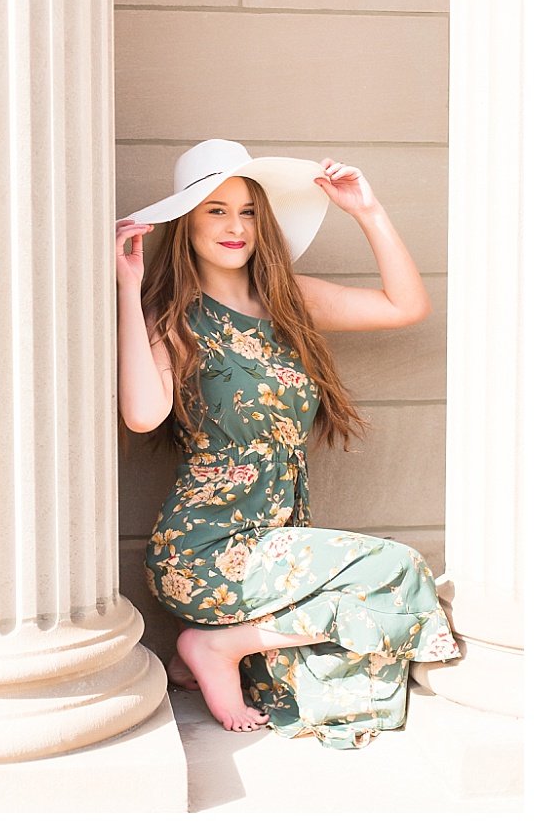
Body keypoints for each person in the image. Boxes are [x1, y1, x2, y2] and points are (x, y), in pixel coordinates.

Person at [115, 138, 459, 749]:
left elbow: (405, 306)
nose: (234, 226)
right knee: (396, 568)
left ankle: (218, 653)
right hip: (204, 552)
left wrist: (367, 211)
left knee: (345, 666)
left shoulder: (287, 300)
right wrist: (128, 286)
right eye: (215, 210)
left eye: (247, 210)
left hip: (276, 551)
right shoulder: (174, 315)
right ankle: (213, 644)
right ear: (186, 224)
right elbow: (144, 416)